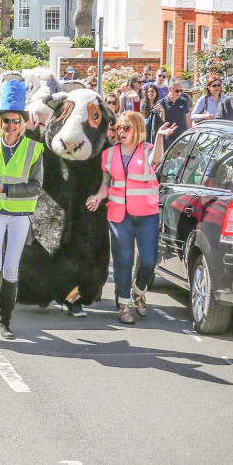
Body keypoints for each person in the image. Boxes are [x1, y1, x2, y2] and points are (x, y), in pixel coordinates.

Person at [86, 113, 177, 324]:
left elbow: (157, 159)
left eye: (127, 127)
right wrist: (99, 196)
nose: (122, 132)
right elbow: (106, 183)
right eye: (119, 128)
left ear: (137, 129)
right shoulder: (109, 154)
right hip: (119, 215)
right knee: (123, 262)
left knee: (148, 261)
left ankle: (139, 292)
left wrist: (160, 137)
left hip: (147, 215)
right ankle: (124, 306)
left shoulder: (147, 150)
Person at [0, 80, 43, 339]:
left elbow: (36, 187)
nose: (11, 125)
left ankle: (4, 322)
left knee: (11, 269)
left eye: (16, 121)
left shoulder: (34, 149)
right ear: (0, 122)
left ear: (23, 122)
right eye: (7, 121)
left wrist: (3, 188)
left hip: (19, 216)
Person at [153, 78, 192, 148]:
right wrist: (162, 111)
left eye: (181, 91)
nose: (179, 93)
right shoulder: (161, 103)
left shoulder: (184, 101)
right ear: (169, 89)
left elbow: (188, 121)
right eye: (177, 91)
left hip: (182, 139)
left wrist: (190, 137)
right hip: (168, 141)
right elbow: (161, 124)